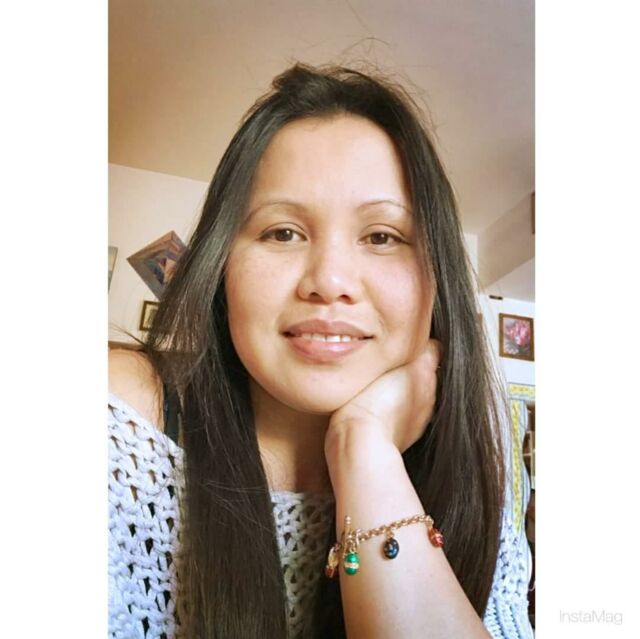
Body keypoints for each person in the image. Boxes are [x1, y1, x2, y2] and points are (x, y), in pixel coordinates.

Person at [108, 63, 533, 639]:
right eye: (282, 232)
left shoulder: (481, 454)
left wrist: (365, 451)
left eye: (382, 236)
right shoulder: (117, 429)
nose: (330, 281)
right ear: (220, 264)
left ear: (439, 283)